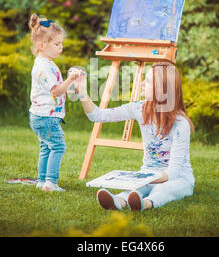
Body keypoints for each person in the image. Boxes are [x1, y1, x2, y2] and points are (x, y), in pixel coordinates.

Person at [74, 62, 195, 210]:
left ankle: (145, 204)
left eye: (148, 81)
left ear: (162, 89)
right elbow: (97, 115)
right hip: (148, 173)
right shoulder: (139, 108)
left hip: (180, 179)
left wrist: (144, 180)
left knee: (162, 189)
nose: (142, 83)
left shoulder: (180, 124)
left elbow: (173, 172)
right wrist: (81, 92)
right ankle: (118, 201)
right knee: (135, 188)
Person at [28, 14, 80, 192]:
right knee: (58, 146)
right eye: (57, 44)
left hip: (39, 116)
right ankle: (51, 183)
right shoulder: (45, 67)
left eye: (61, 43)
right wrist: (71, 79)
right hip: (46, 118)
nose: (61, 47)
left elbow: (56, 90)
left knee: (46, 147)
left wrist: (71, 90)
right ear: (42, 45)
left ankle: (42, 181)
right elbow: (56, 90)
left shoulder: (44, 63)